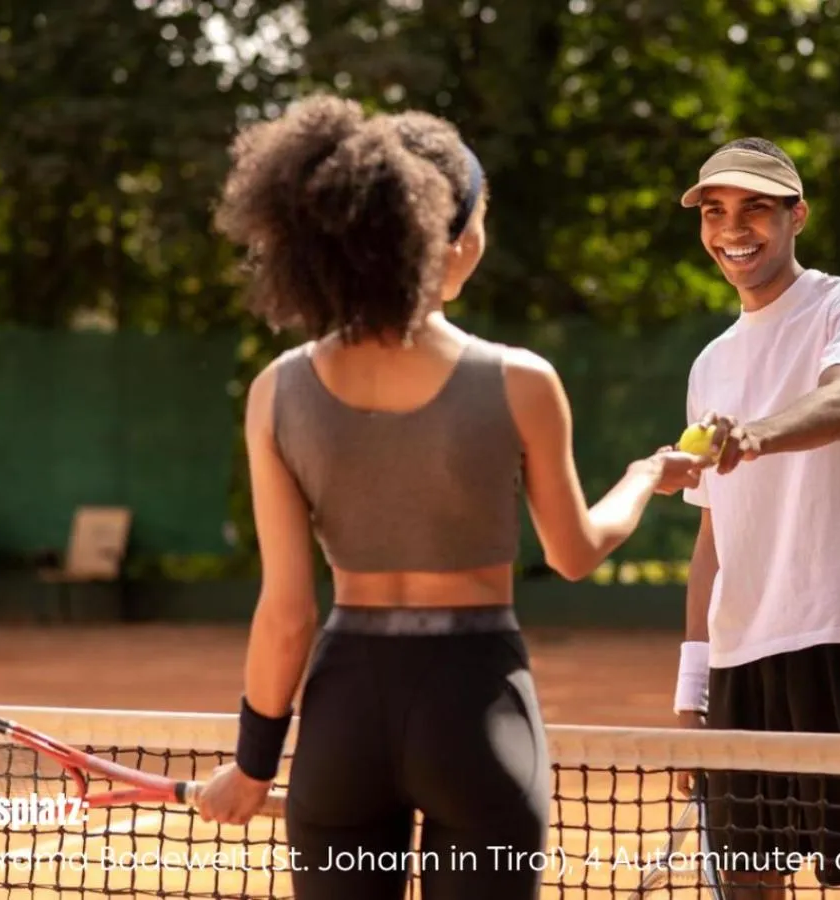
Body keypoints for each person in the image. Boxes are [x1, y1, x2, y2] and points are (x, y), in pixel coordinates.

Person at [192, 94, 710, 900]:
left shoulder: (277, 391)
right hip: (476, 705)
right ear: (457, 239)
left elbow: (287, 612)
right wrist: (645, 475)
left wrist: (255, 765)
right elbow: (572, 552)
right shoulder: (522, 381)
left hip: (343, 717)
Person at [669, 138, 840, 899]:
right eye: (715, 211)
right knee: (749, 883)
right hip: (741, 660)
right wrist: (691, 695)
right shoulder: (709, 363)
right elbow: (712, 542)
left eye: (755, 207)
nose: (732, 228)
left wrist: (748, 437)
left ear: (796, 216)